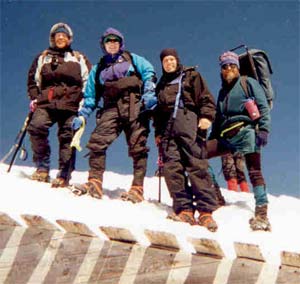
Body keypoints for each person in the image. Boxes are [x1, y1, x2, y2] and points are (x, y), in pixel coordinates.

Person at [71, 27, 157, 202]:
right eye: (108, 41)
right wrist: (83, 115)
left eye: (115, 41)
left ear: (121, 43)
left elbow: (149, 72)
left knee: (138, 146)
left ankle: (137, 188)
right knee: (97, 142)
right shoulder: (98, 68)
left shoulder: (132, 59)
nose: (112, 44)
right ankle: (95, 181)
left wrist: (149, 90)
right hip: (110, 109)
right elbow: (91, 95)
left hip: (134, 106)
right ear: (103, 45)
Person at [154, 48, 219, 232]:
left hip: (188, 120)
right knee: (172, 167)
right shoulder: (161, 85)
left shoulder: (191, 76)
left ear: (177, 60)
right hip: (168, 129)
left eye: (172, 59)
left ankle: (205, 212)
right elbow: (158, 113)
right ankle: (184, 209)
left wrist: (206, 116)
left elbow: (206, 97)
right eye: (165, 61)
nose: (169, 63)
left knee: (196, 164)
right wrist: (158, 133)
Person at [207, 51, 271, 231]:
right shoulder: (222, 92)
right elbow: (218, 119)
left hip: (246, 132)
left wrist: (264, 129)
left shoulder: (248, 83)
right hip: (225, 136)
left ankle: (261, 211)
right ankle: (216, 195)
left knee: (254, 170)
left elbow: (263, 106)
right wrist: (212, 137)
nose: (228, 69)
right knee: (199, 154)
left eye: (232, 66)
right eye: (225, 66)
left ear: (237, 67)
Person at [27, 22, 91, 187]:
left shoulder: (79, 58)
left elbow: (88, 82)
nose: (60, 38)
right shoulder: (43, 57)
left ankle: (64, 174)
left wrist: (83, 105)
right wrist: (35, 98)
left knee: (68, 137)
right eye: (57, 36)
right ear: (52, 39)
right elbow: (33, 81)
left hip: (71, 104)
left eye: (64, 35)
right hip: (46, 102)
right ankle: (42, 167)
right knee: (36, 127)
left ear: (69, 39)